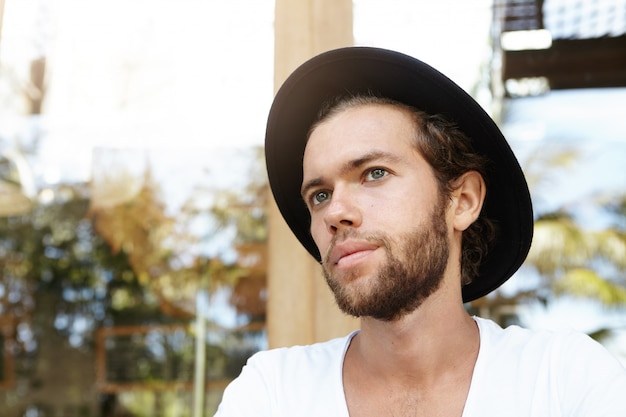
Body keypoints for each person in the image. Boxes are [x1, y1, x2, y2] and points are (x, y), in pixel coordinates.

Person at [214, 47, 626, 416]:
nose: (335, 212)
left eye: (374, 173)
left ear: (462, 200)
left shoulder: (564, 381)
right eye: (319, 195)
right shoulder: (272, 393)